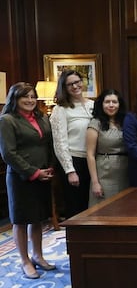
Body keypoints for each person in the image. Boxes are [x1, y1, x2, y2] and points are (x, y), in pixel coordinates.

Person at [0, 82, 56, 279]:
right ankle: (25, 261)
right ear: (14, 98)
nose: (30, 100)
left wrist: (48, 168)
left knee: (38, 218)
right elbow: (8, 153)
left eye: (33, 96)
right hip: (20, 178)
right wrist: (33, 172)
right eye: (25, 96)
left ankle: (38, 256)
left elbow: (48, 144)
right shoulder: (7, 120)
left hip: (42, 175)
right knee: (21, 220)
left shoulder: (41, 117)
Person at [50, 69, 94, 218]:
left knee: (93, 206)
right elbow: (60, 143)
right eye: (70, 84)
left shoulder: (93, 105)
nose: (75, 86)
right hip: (75, 162)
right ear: (64, 87)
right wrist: (70, 170)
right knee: (77, 208)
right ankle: (77, 240)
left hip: (94, 161)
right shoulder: (60, 109)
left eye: (77, 82)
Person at [86, 89, 129, 206]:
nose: (111, 105)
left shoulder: (126, 122)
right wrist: (95, 182)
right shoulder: (95, 123)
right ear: (101, 104)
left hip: (125, 172)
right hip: (105, 174)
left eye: (114, 102)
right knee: (105, 209)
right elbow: (90, 155)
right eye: (107, 102)